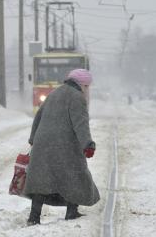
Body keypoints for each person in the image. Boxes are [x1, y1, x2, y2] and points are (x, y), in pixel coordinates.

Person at [23, 68, 100, 226]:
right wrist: (88, 144)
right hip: (66, 145)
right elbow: (81, 124)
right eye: (88, 87)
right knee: (75, 176)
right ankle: (72, 212)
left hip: (42, 144)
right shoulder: (78, 97)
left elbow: (38, 116)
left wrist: (33, 139)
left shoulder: (54, 93)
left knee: (41, 181)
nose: (88, 90)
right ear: (83, 85)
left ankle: (34, 217)